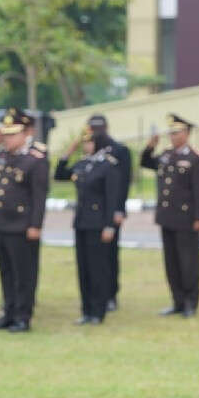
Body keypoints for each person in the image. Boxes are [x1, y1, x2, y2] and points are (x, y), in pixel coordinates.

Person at [140, 114, 199, 318]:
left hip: (186, 219)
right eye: (171, 133)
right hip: (167, 217)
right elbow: (145, 162)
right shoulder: (167, 155)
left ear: (186, 134)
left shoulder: (195, 158)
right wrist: (150, 146)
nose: (172, 136)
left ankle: (190, 302)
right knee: (171, 262)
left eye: (176, 132)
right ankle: (177, 301)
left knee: (188, 262)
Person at [0, 108, 48, 333]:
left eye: (12, 134)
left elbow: (39, 196)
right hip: (2, 223)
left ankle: (23, 316)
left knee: (24, 274)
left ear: (26, 134)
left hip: (22, 226)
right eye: (6, 134)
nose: (8, 139)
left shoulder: (36, 159)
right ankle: (9, 311)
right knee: (6, 272)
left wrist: (35, 225)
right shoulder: (4, 156)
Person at [55, 129, 125, 325]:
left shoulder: (107, 166)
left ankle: (98, 311)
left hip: (98, 224)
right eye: (84, 143)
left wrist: (110, 225)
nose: (86, 146)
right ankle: (86, 310)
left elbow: (112, 198)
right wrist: (68, 152)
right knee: (83, 268)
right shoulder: (83, 164)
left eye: (90, 142)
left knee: (97, 269)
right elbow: (60, 175)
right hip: (82, 223)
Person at [87, 114, 130, 311]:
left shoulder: (119, 150)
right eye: (92, 128)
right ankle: (96, 293)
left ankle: (111, 294)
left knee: (110, 255)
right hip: (93, 213)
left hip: (111, 211)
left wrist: (120, 209)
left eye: (99, 128)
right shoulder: (89, 151)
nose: (96, 132)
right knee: (93, 257)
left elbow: (123, 183)